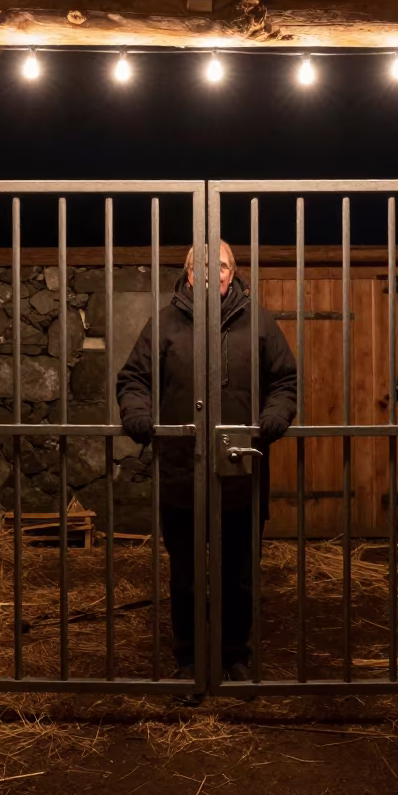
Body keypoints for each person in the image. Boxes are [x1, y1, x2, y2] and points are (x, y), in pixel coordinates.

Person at [116, 241, 297, 684]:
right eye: (202, 265)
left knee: (238, 573)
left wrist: (274, 416)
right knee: (187, 574)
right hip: (182, 469)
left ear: (231, 273)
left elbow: (284, 381)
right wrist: (138, 414)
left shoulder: (260, 323)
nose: (213, 271)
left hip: (241, 469)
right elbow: (134, 379)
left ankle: (235, 657)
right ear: (190, 274)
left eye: (221, 264)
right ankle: (190, 660)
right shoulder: (164, 325)